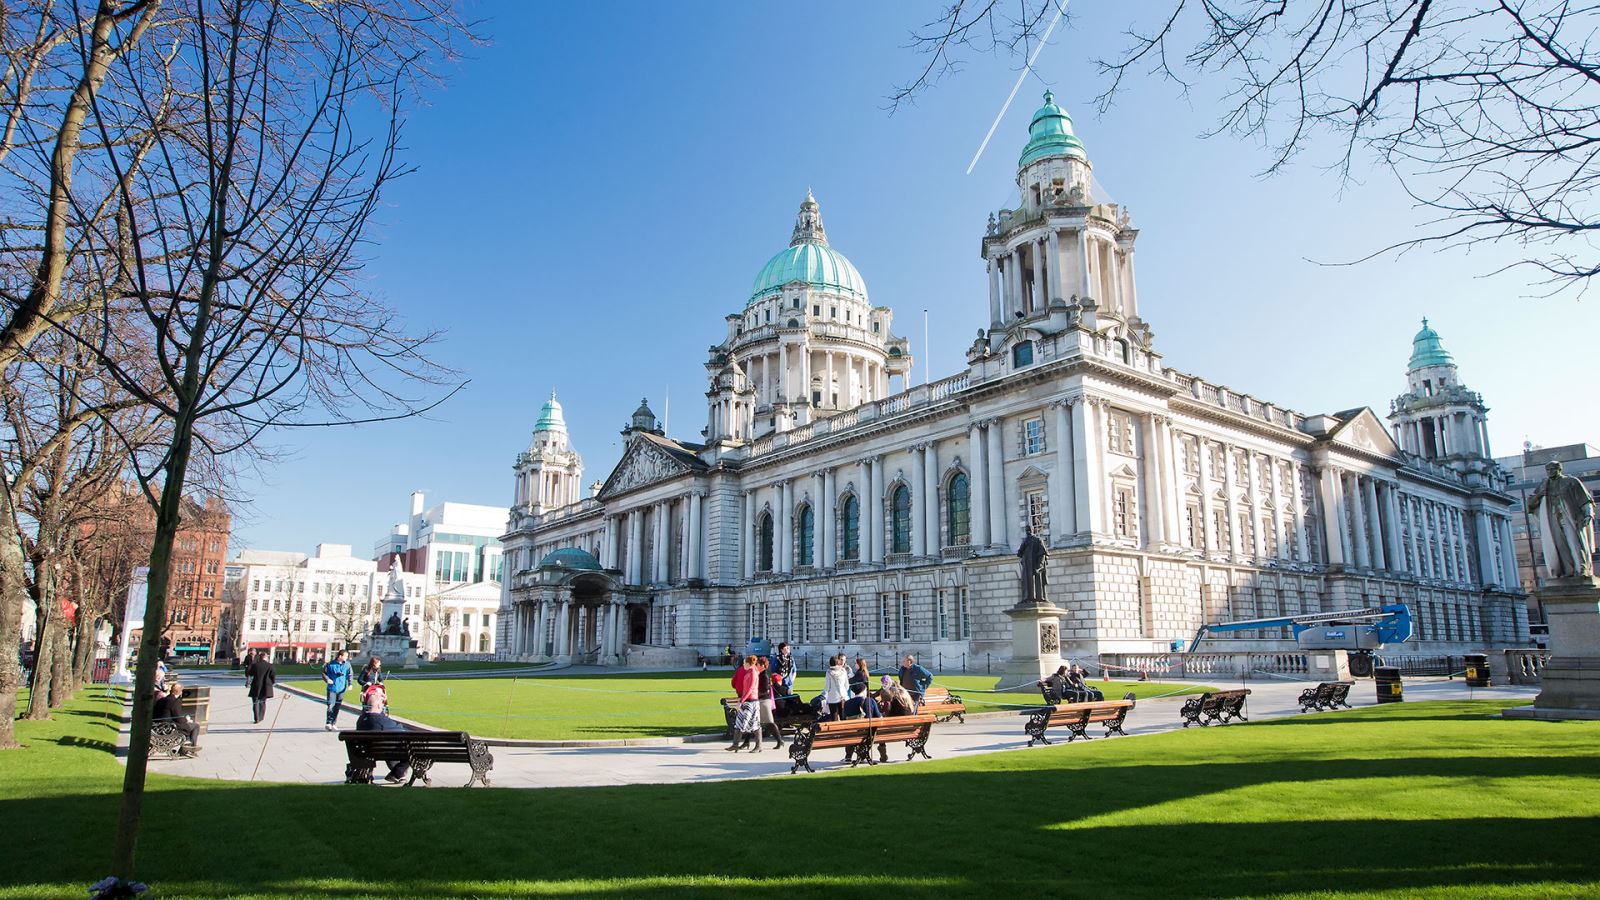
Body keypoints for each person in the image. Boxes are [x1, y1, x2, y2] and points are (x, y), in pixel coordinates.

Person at [354, 684, 410, 784]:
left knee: (387, 744)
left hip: (366, 751)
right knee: (410, 752)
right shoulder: (383, 721)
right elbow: (400, 729)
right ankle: (397, 773)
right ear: (380, 705)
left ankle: (397, 774)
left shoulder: (361, 720)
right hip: (385, 750)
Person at [152, 681, 200, 757]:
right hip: (168, 728)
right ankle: (190, 749)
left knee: (187, 726)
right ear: (180, 692)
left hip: (157, 727)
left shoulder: (162, 700)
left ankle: (186, 745)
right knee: (195, 726)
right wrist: (187, 720)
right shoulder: (174, 701)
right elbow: (179, 719)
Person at [727, 655, 761, 752]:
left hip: (751, 701)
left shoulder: (753, 672)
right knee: (740, 722)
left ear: (748, 663)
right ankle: (735, 744)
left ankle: (758, 745)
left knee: (753, 723)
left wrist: (741, 700)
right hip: (748, 700)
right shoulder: (749, 672)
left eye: (744, 663)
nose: (743, 665)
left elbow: (750, 689)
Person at [755, 657, 783, 750]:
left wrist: (756, 692)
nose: (756, 666)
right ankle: (747, 742)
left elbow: (765, 690)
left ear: (763, 666)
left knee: (770, 722)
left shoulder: (764, 676)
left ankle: (779, 740)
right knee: (755, 722)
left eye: (758, 664)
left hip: (764, 701)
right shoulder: (759, 674)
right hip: (760, 700)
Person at [322, 650, 354, 731]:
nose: (347, 658)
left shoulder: (347, 665)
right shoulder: (330, 664)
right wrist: (327, 679)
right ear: (340, 656)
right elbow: (324, 673)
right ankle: (328, 722)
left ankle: (333, 723)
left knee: (337, 706)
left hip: (341, 688)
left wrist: (350, 684)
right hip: (332, 688)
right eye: (345, 656)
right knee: (330, 705)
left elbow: (350, 674)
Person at [245, 650, 276, 724]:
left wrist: (250, 664)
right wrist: (271, 682)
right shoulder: (270, 666)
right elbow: (273, 676)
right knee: (262, 702)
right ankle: (261, 717)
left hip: (256, 685)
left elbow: (250, 673)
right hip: (266, 686)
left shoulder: (255, 665)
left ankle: (257, 718)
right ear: (265, 658)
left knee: (255, 702)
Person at [823, 655, 851, 721]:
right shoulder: (843, 671)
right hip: (843, 696)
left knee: (834, 717)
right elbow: (846, 685)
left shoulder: (829, 672)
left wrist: (824, 695)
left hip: (833, 697)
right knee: (843, 716)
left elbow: (827, 686)